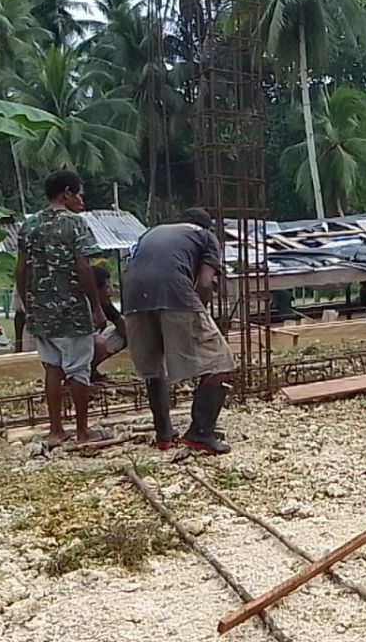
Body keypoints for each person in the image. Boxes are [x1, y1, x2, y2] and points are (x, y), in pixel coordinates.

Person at [122, 208, 236, 455]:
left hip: (132, 299)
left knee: (153, 367)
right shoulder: (205, 236)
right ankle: (200, 433)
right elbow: (205, 282)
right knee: (220, 362)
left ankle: (164, 434)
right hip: (174, 294)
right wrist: (199, 313)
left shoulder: (151, 233)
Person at [16, 170, 106, 446]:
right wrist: (96, 306)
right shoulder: (75, 224)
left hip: (41, 311)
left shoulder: (29, 225)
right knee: (79, 369)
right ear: (66, 193)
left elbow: (21, 269)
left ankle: (56, 430)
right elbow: (83, 267)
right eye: (78, 194)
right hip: (70, 311)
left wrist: (28, 302)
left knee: (52, 369)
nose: (81, 200)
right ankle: (82, 431)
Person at [90, 265, 127, 382]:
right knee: (99, 343)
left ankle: (91, 370)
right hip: (74, 350)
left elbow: (123, 326)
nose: (110, 291)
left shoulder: (104, 304)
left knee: (128, 330)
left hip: (88, 347)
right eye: (107, 287)